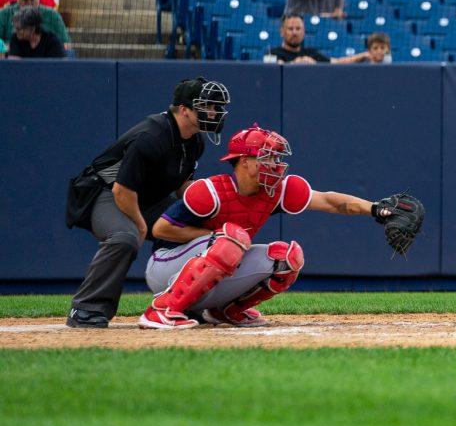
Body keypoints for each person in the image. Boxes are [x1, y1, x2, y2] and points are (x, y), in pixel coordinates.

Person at [138, 125, 415, 328]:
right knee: (234, 237)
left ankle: (226, 311)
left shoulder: (276, 190)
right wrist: (217, 236)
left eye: (276, 158)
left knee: (286, 257)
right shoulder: (209, 191)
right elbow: (161, 230)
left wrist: (377, 208)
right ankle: (161, 310)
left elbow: (330, 202)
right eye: (268, 157)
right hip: (166, 269)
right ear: (245, 162)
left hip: (216, 265)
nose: (276, 164)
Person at [65, 77, 230, 328]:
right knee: (125, 236)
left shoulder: (195, 140)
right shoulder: (152, 135)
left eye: (215, 107)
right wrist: (142, 226)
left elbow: (182, 186)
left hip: (146, 197)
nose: (214, 112)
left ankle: (182, 303)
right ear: (184, 110)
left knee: (201, 230)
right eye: (207, 106)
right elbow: (122, 190)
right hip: (103, 192)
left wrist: (209, 204)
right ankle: (86, 308)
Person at [0, 0, 69, 50]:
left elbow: (66, 44)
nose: (29, 2)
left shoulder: (53, 15)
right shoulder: (4, 14)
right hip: (13, 56)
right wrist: (10, 48)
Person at [264, 14, 331, 63]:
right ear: (282, 32)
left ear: (304, 31)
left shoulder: (311, 53)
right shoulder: (271, 54)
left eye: (298, 28)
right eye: (290, 29)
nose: (294, 33)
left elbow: (334, 62)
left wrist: (315, 65)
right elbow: (274, 69)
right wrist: (295, 64)